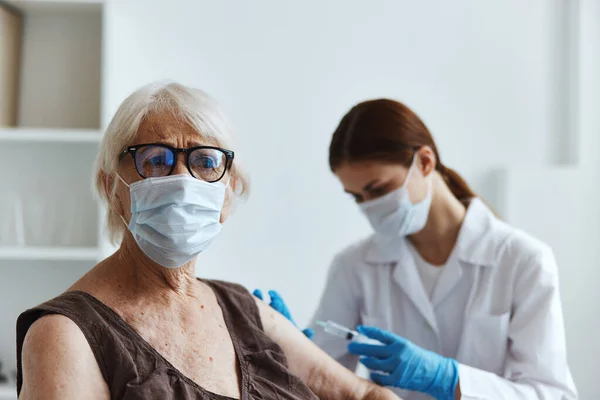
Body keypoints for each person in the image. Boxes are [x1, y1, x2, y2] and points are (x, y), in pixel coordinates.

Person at [15, 82, 401, 400]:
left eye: (205, 162)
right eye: (155, 159)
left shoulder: (241, 308)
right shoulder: (66, 335)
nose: (183, 181)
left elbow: (366, 396)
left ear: (229, 193)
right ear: (111, 186)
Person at [257, 99, 578, 399]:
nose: (369, 207)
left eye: (378, 189)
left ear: (425, 162)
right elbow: (326, 380)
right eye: (357, 197)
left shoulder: (522, 260)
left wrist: (447, 377)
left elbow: (550, 393)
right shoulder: (354, 266)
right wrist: (289, 349)